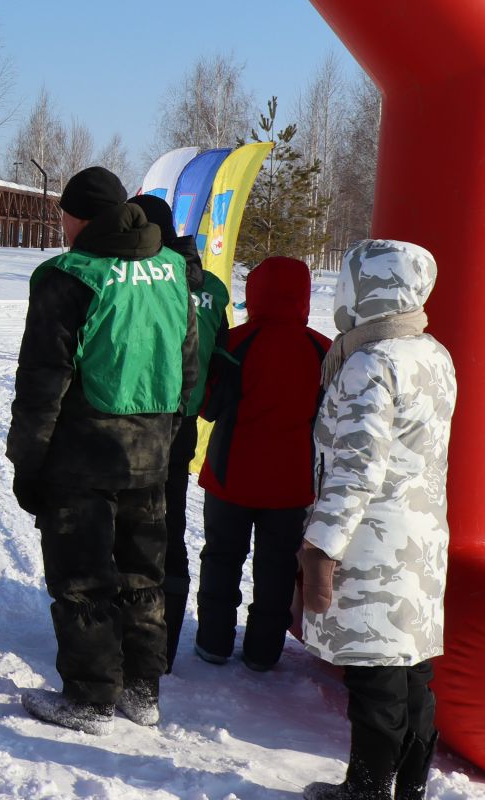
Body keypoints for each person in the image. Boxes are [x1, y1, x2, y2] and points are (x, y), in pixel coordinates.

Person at [9, 167, 196, 734]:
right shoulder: (172, 270)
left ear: (82, 217)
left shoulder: (67, 276)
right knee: (143, 572)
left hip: (83, 454)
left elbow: (43, 381)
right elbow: (187, 368)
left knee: (84, 578)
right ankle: (142, 691)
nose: (60, 223)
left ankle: (90, 697)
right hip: (152, 452)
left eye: (64, 213)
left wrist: (28, 462)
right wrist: (169, 438)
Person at [300, 240, 456, 800]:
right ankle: (409, 787)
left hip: (373, 543)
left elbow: (356, 467)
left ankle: (365, 790)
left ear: (368, 287)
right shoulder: (431, 352)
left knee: (375, 680)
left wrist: (322, 545)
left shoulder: (370, 362)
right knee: (411, 672)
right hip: (421, 536)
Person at [194, 256, 330, 671]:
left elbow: (208, 407)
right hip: (290, 484)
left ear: (254, 293)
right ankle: (263, 652)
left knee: (221, 558)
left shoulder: (235, 344)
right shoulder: (323, 349)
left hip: (230, 475)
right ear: (303, 296)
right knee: (276, 569)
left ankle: (214, 643)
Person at [127, 192, 232, 672]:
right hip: (183, 423)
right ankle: (161, 644)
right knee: (170, 526)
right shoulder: (210, 286)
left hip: (135, 421)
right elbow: (221, 357)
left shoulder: (139, 280)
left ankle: (129, 638)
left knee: (128, 527)